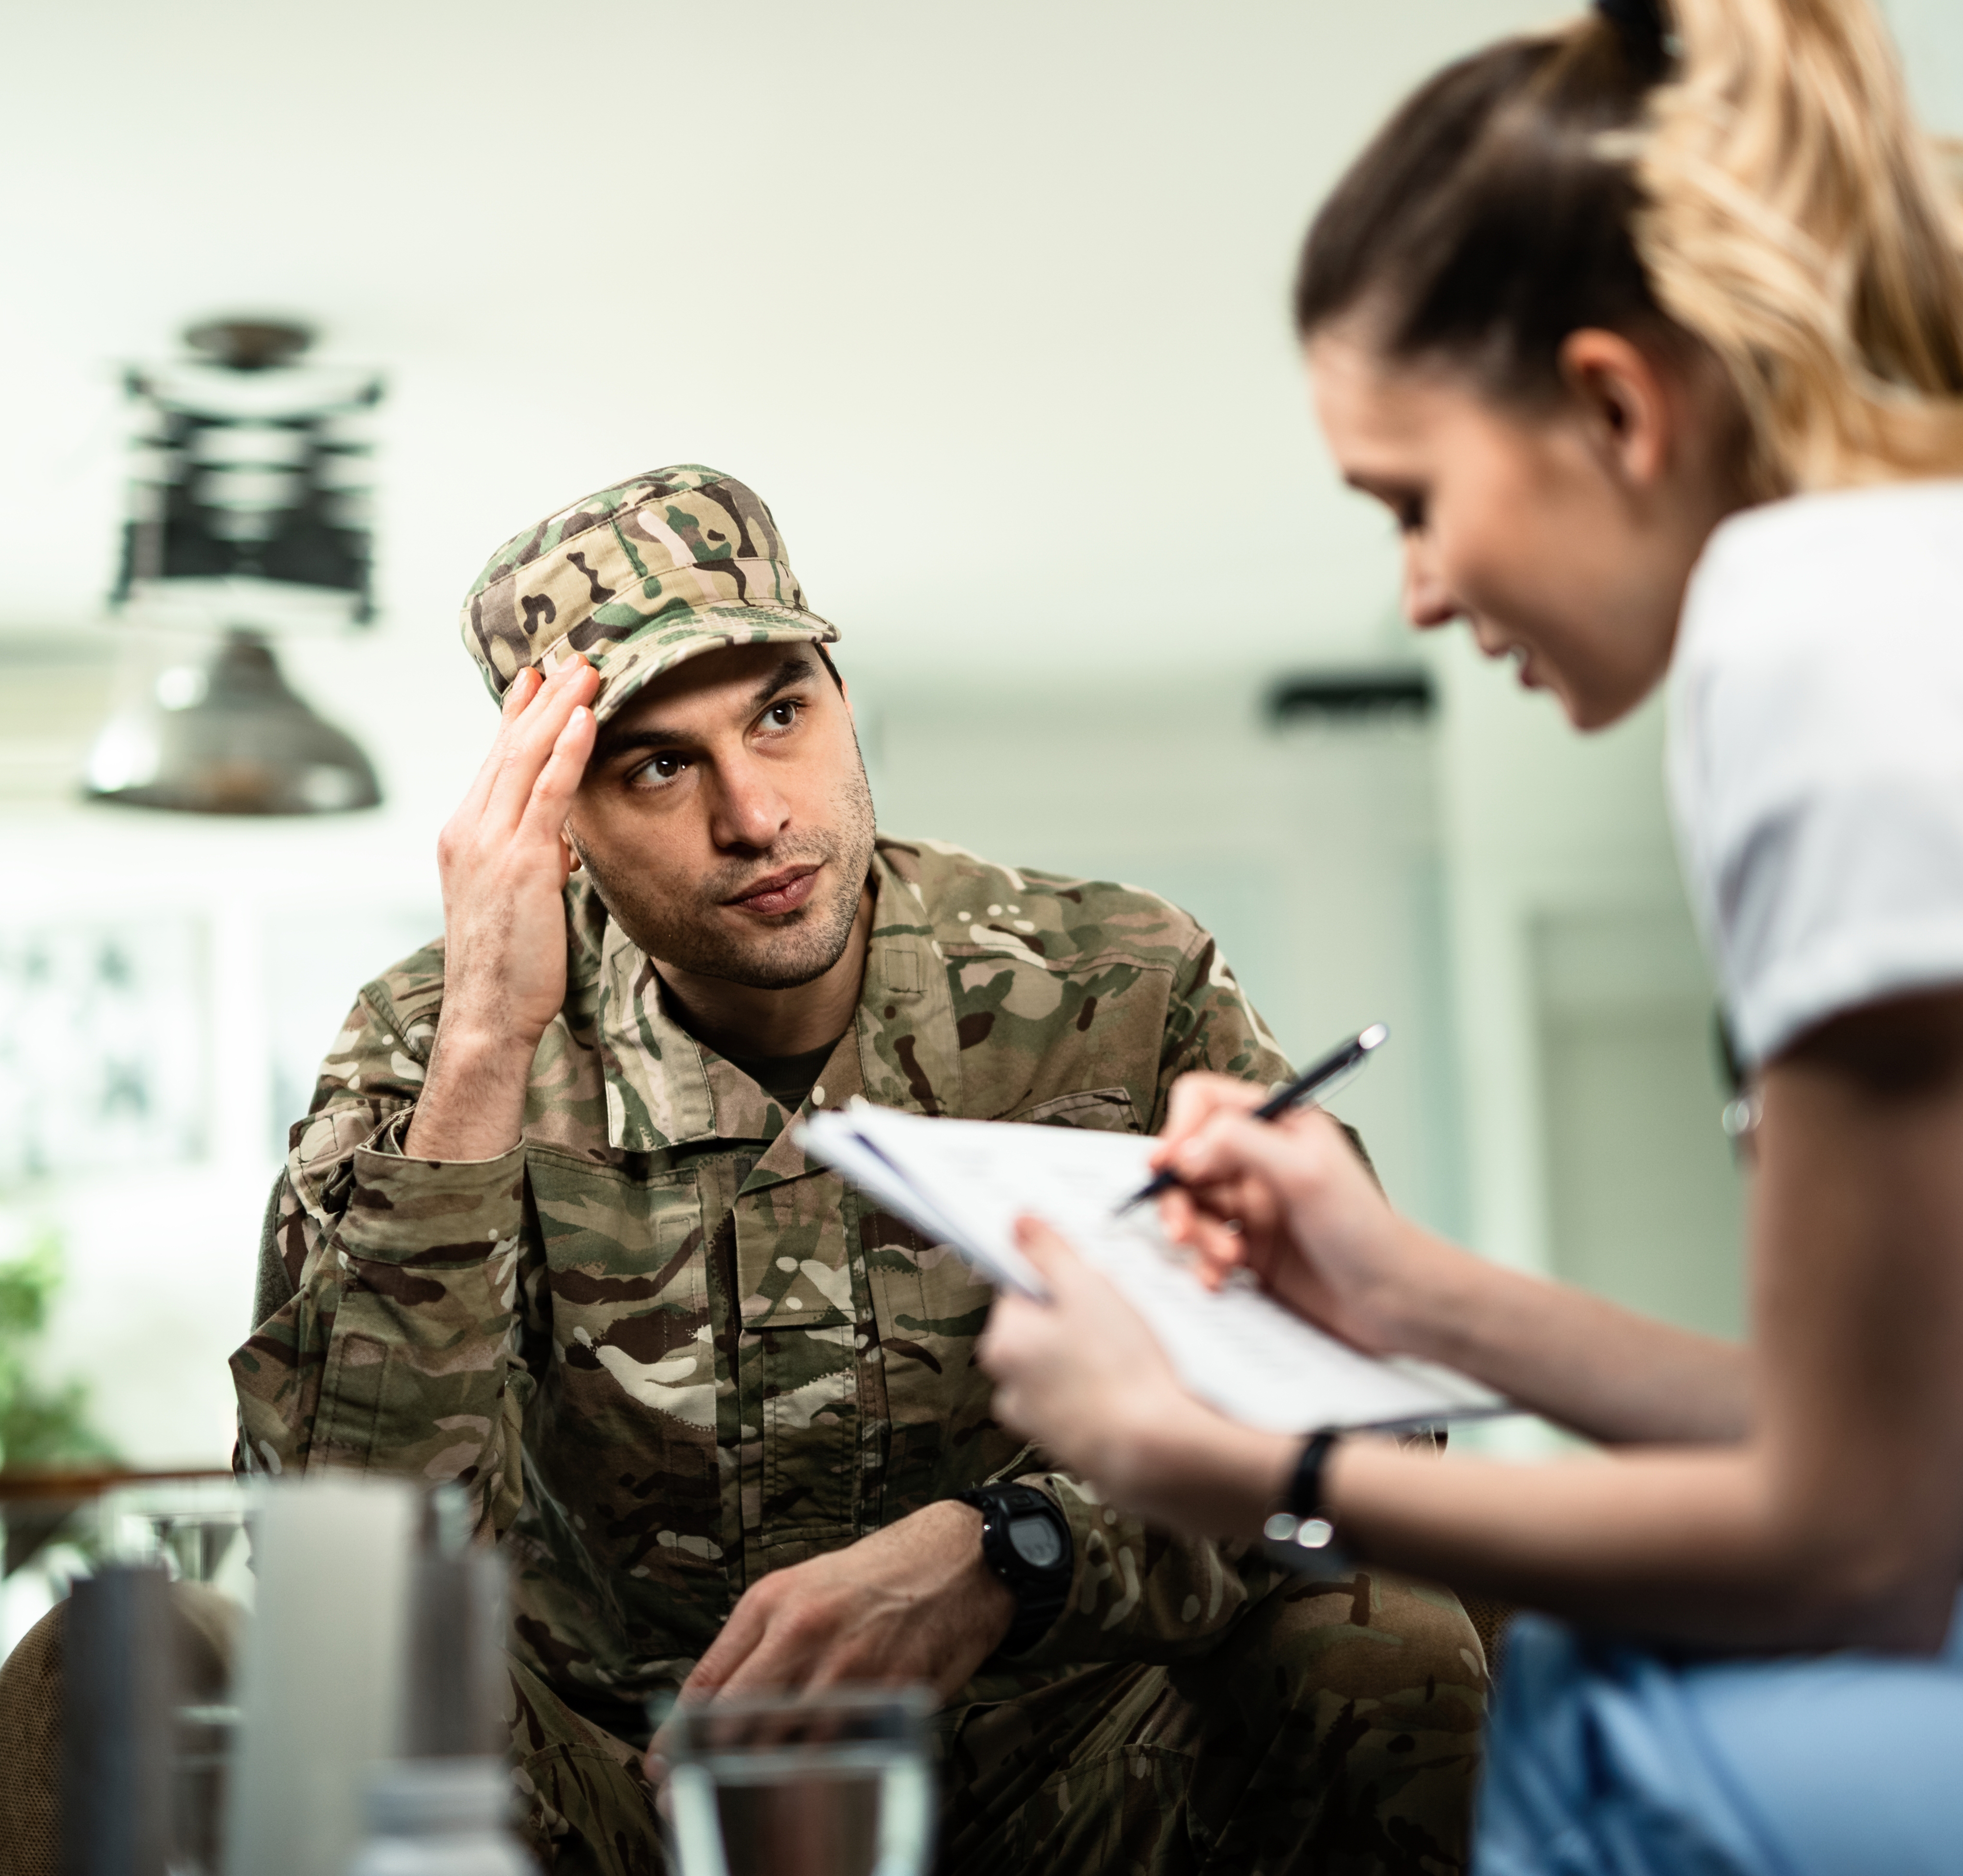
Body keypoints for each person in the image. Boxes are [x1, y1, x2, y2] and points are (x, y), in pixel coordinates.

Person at [973, 0, 1963, 1869]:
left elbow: (1858, 1542)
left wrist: (1225, 1464)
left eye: (1412, 501)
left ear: (1611, 403)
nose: (1413, 592)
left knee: (1617, 1699)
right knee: (1626, 1672)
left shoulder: (1817, 631)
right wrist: (1403, 1292)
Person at [230, 465, 1486, 1876]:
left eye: (780, 712)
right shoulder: (432, 1042)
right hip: (627, 1811)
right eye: (658, 762)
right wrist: (480, 1055)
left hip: (1071, 1784)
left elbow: (1372, 1419)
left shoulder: (1121, 989)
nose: (758, 814)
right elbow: (342, 1585)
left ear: (837, 689)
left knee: (1388, 1644)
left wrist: (1014, 1555)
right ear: (558, 826)